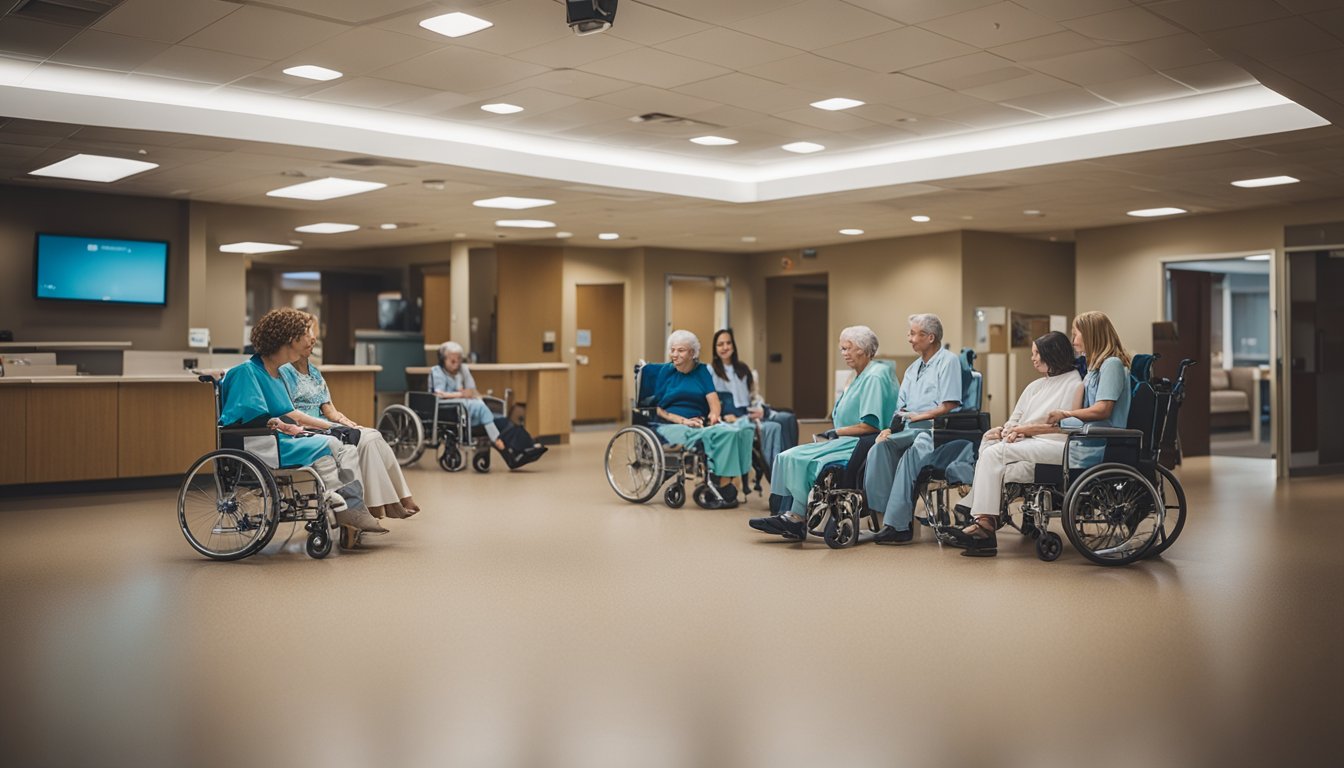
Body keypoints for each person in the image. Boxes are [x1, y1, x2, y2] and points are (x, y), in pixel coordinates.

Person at [947, 314, 1131, 555]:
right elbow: (1073, 418)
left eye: (1076, 334)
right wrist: (1015, 430)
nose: (1073, 340)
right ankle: (983, 517)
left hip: (1086, 445)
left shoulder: (1108, 367)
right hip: (1076, 440)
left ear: (1091, 334)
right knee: (993, 447)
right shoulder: (1093, 371)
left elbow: (1098, 411)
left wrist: (1031, 428)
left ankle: (983, 524)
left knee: (994, 454)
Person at [218, 308, 386, 546]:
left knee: (341, 445)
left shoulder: (274, 374)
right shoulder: (247, 372)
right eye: (307, 333)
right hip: (261, 444)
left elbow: (286, 414)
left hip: (278, 438)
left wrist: (327, 425)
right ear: (291, 338)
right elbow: (243, 417)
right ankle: (344, 504)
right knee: (330, 443)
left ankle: (350, 507)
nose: (312, 338)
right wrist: (282, 426)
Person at [749, 326, 898, 541]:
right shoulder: (861, 375)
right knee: (786, 456)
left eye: (848, 348)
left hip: (859, 443)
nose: (843, 353)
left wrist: (835, 431)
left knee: (798, 457)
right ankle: (789, 515)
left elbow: (871, 426)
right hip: (847, 440)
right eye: (842, 349)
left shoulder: (874, 377)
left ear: (863, 349)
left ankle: (795, 517)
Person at [281, 316, 420, 521]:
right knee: (368, 440)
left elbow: (328, 408)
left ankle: (391, 501)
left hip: (326, 424)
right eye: (308, 337)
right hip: (308, 430)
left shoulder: (314, 372)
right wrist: (332, 424)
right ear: (293, 340)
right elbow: (290, 413)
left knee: (371, 435)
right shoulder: (285, 371)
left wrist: (345, 421)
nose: (313, 341)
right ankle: (384, 504)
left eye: (313, 337)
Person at [860, 313, 963, 545]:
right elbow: (901, 408)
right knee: (879, 449)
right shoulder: (913, 368)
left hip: (935, 431)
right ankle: (884, 517)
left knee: (913, 453)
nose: (909, 338)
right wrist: (889, 429)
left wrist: (921, 416)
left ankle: (900, 526)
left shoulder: (948, 361)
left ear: (930, 337)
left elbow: (949, 405)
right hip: (908, 428)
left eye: (914, 333)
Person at [651, 330, 756, 509]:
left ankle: (721, 482)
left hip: (698, 422)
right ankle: (719, 486)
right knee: (712, 436)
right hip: (671, 424)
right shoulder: (665, 372)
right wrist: (683, 421)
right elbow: (658, 409)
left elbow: (713, 400)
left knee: (732, 432)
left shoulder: (702, 371)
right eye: (673, 350)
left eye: (681, 350)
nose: (674, 355)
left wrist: (714, 414)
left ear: (692, 353)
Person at [431, 341, 546, 469]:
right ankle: (497, 440)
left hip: (471, 410)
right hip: (453, 411)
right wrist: (461, 394)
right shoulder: (437, 372)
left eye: (459, 360)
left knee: (503, 422)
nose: (456, 364)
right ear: (443, 360)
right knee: (481, 408)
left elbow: (472, 390)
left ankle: (525, 448)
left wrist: (472, 394)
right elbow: (439, 395)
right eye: (452, 361)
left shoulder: (463, 370)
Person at [708, 328, 799, 475]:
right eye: (720, 344)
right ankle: (778, 471)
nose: (725, 347)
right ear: (715, 348)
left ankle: (790, 462)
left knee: (788, 417)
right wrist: (723, 417)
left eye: (728, 343)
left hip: (750, 412)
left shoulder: (744, 369)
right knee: (774, 427)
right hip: (732, 417)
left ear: (733, 345)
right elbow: (711, 402)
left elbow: (754, 397)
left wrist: (761, 410)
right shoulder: (711, 371)